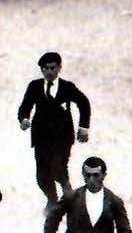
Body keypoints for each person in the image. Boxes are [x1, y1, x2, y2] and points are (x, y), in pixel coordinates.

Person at [17, 51, 92, 204]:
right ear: (42, 70)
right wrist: (24, 119)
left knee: (58, 167)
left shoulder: (67, 87)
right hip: (41, 137)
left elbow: (84, 103)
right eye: (46, 68)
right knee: (42, 176)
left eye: (53, 68)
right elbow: (25, 106)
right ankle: (52, 199)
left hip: (62, 137)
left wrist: (84, 127)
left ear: (59, 68)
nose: (49, 72)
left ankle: (67, 190)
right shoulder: (35, 86)